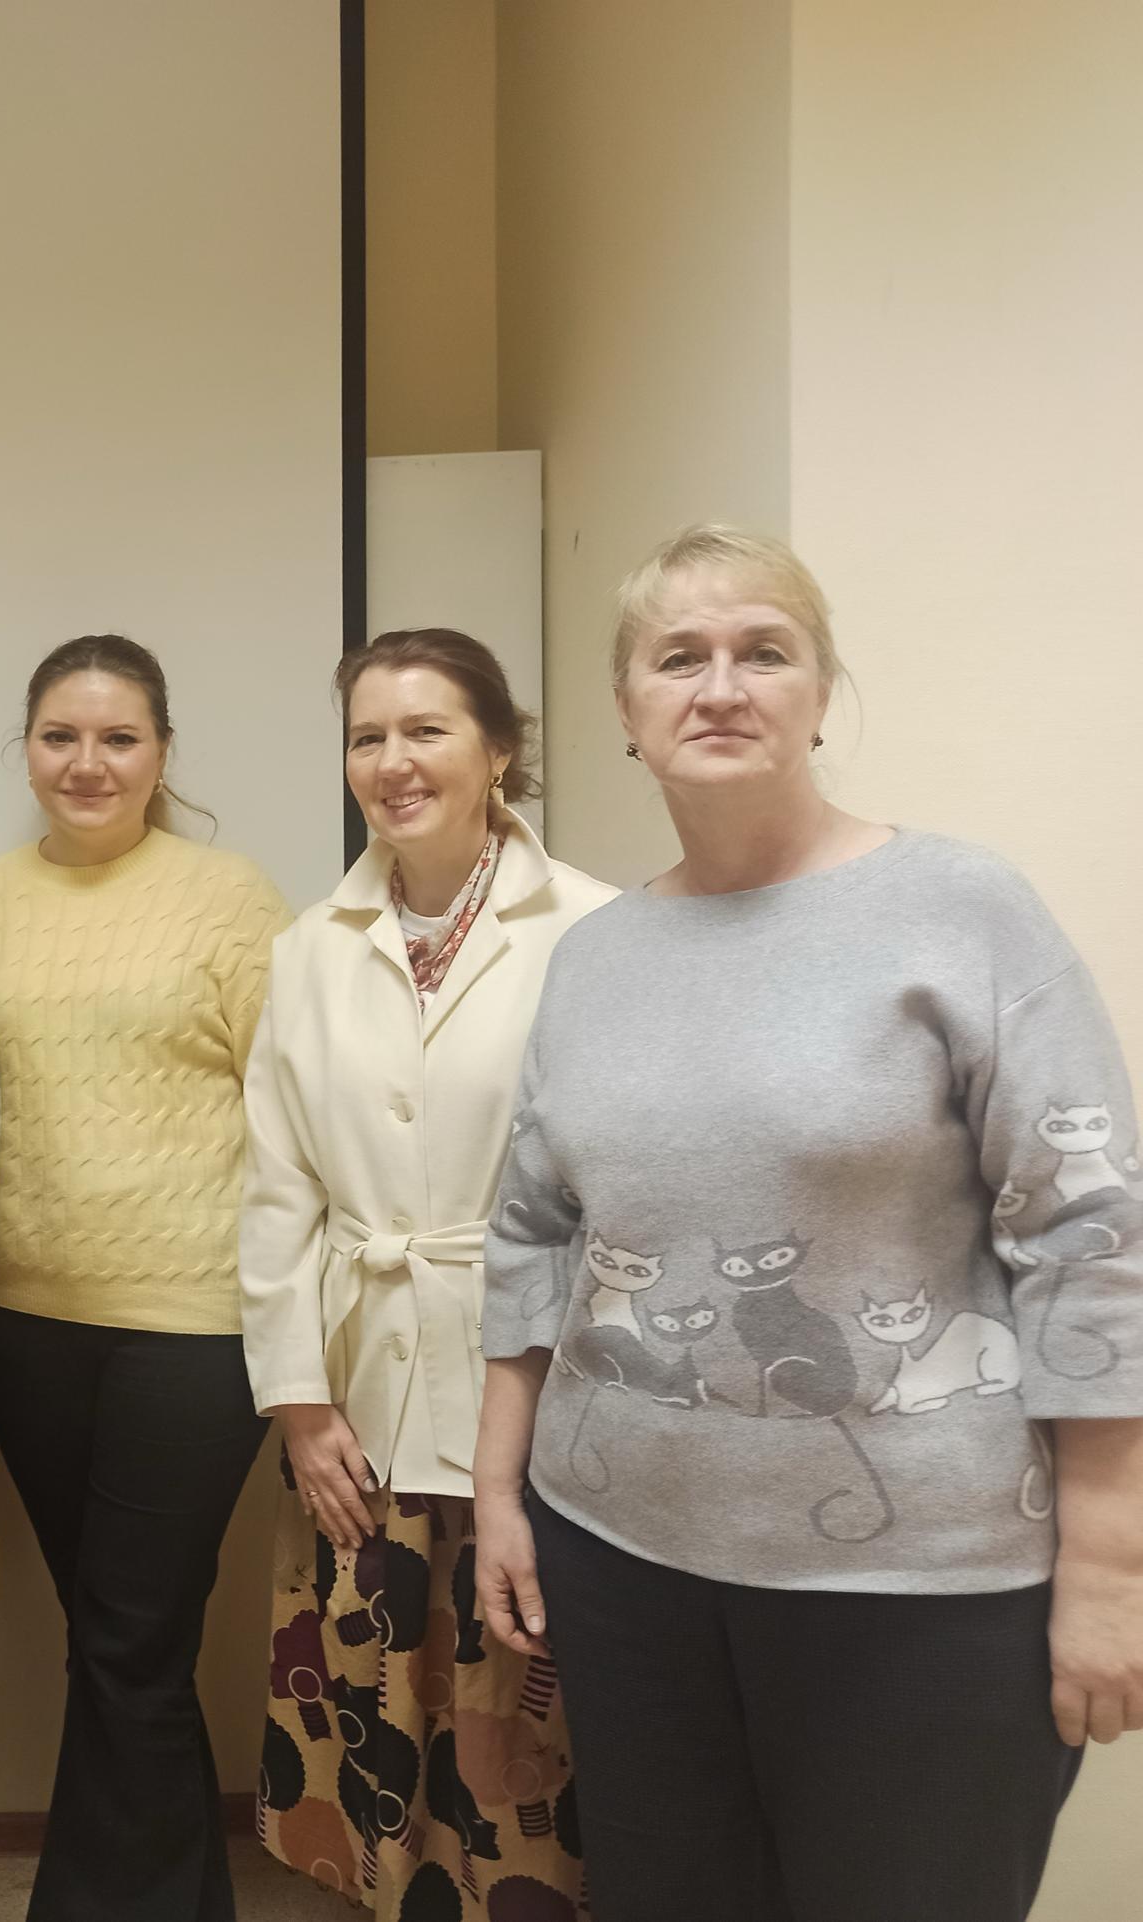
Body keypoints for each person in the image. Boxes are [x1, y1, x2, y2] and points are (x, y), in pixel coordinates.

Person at [474, 525, 1143, 1922]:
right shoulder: (595, 956)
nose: (721, 685)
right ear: (627, 709)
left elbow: (1090, 1238)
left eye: (763, 652)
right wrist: (498, 1497)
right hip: (622, 1562)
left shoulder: (960, 909)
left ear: (820, 691)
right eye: (679, 657)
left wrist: (1110, 1567)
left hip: (923, 1586)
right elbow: (532, 1236)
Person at [239, 629, 613, 1918]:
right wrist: (299, 1403)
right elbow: (276, 1188)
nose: (392, 761)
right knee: (373, 1721)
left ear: (498, 748)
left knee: (520, 1734)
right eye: (367, 736)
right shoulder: (310, 944)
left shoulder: (596, 929)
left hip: (536, 1391)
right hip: (356, 1401)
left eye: (426, 730)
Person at [0, 633, 288, 1920]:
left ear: (161, 752)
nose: (88, 763)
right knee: (115, 1641)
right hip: (15, 1313)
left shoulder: (228, 896)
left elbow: (294, 1113)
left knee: (131, 1637)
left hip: (190, 1328)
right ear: (26, 748)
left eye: (119, 737)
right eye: (61, 736)